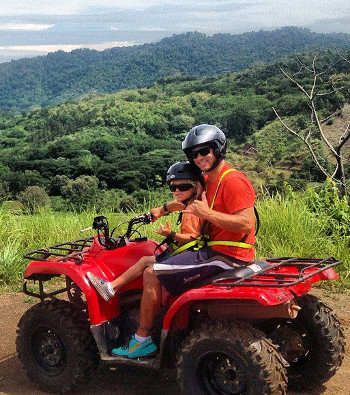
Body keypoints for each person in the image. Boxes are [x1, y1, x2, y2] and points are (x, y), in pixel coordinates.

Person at [111, 124, 256, 359]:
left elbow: (246, 224)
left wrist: (207, 215)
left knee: (151, 272)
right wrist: (162, 209)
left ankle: (142, 340)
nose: (198, 158)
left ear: (218, 149)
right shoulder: (209, 180)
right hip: (216, 251)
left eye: (204, 151)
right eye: (193, 154)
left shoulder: (233, 181)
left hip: (226, 257)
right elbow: (189, 199)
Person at [86, 160, 203, 302]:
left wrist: (170, 234)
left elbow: (192, 237)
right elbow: (174, 205)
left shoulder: (193, 210)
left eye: (183, 186)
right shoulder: (189, 202)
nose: (177, 191)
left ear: (195, 187)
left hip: (188, 254)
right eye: (173, 187)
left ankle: (111, 288)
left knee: (144, 261)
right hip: (185, 251)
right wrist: (159, 211)